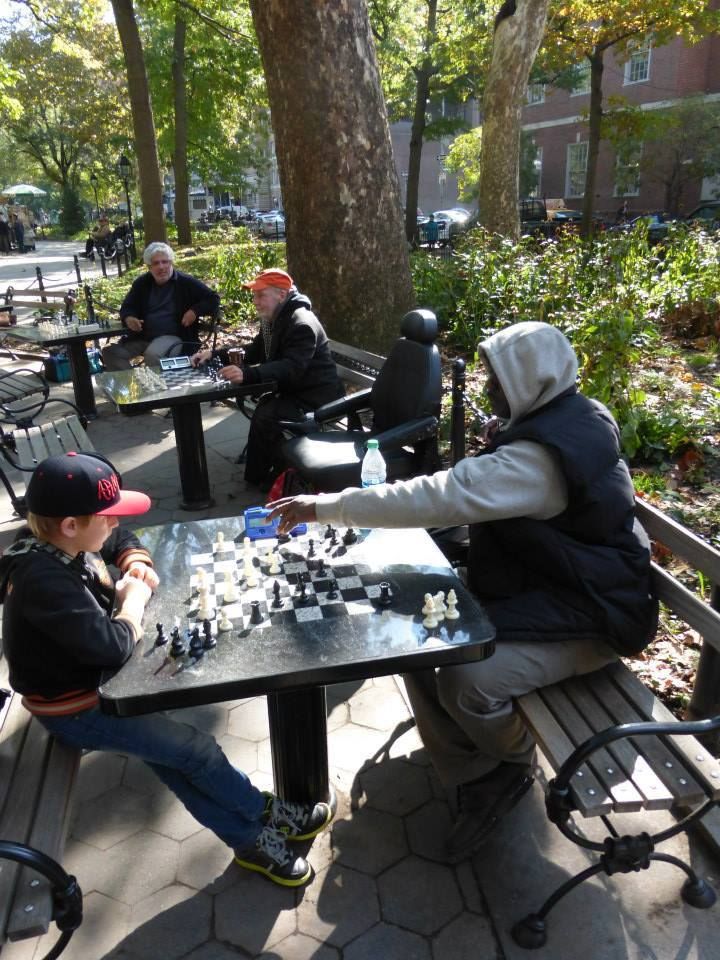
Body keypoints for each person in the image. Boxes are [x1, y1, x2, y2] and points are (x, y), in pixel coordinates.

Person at [265, 320, 658, 859]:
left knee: (467, 678)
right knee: (412, 635)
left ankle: (514, 763)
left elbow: (444, 494)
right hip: (550, 589)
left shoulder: (541, 459)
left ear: (529, 380)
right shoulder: (563, 416)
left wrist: (323, 507)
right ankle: (472, 767)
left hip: (595, 616)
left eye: (497, 378)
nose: (487, 388)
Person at [0, 451, 333, 887]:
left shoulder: (56, 538)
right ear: (70, 526)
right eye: (109, 516)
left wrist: (134, 560)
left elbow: (119, 540)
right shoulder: (43, 582)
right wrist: (131, 604)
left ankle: (249, 835)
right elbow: (112, 646)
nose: (116, 523)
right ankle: (259, 814)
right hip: (74, 708)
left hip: (94, 687)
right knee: (198, 751)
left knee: (179, 762)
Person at [191, 268, 344, 489]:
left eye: (260, 295)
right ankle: (262, 475)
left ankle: (272, 476)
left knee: (267, 414)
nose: (255, 301)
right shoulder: (277, 318)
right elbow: (255, 350)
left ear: (281, 295)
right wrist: (214, 355)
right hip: (295, 390)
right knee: (266, 410)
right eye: (254, 295)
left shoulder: (300, 323)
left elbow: (292, 367)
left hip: (317, 397)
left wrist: (248, 374)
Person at [102, 242, 220, 370]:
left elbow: (213, 298)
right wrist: (129, 318)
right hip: (143, 336)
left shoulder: (186, 282)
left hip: (174, 336)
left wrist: (194, 311)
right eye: (156, 263)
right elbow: (127, 306)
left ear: (171, 263)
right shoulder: (142, 283)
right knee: (111, 352)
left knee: (153, 355)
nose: (161, 267)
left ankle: (161, 388)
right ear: (149, 267)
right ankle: (132, 385)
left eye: (165, 262)